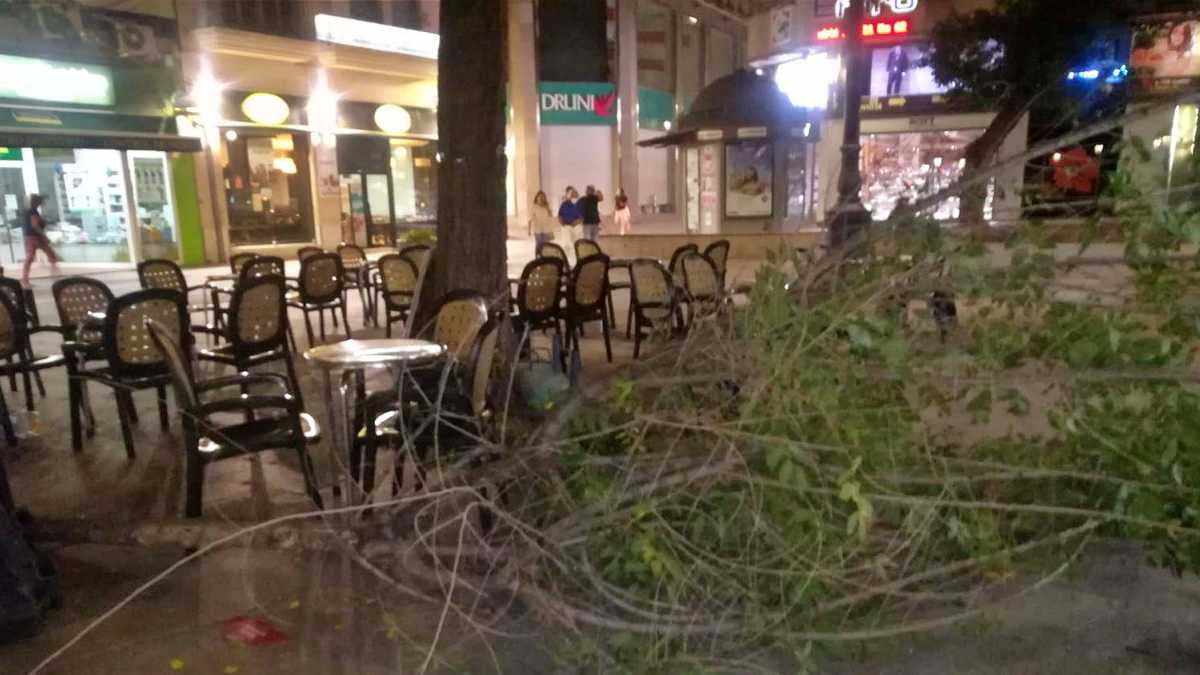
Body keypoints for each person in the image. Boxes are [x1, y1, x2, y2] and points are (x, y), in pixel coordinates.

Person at [20, 194, 60, 286]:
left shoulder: (28, 211)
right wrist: (44, 236)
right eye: (40, 202)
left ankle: (25, 279)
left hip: (30, 236)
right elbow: (35, 226)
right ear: (36, 202)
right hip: (35, 237)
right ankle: (57, 278)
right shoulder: (33, 211)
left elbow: (34, 224)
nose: (41, 203)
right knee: (50, 255)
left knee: (33, 256)